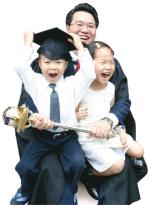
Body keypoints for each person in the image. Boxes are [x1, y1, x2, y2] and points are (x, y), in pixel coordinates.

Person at [15, 3, 147, 205]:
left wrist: (108, 121)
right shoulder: (49, 62)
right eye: (79, 24)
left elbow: (122, 99)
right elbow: (28, 102)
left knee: (122, 166)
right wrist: (38, 117)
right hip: (58, 136)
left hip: (97, 135)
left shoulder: (107, 62)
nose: (85, 30)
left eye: (91, 26)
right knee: (51, 172)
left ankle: (94, 177)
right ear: (68, 28)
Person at [10, 27, 96, 205]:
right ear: (40, 64)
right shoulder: (34, 82)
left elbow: (89, 73)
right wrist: (28, 43)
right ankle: (25, 190)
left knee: (78, 164)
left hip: (66, 137)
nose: (52, 67)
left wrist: (80, 47)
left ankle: (71, 191)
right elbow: (19, 67)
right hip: (42, 136)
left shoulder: (73, 85)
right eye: (47, 62)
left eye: (58, 62)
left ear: (65, 65)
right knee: (26, 166)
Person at [76, 41, 144, 177]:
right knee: (118, 166)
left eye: (111, 62)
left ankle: (112, 154)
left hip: (109, 133)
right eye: (103, 62)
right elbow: (67, 114)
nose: (109, 67)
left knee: (139, 151)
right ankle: (90, 174)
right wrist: (76, 114)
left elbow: (110, 110)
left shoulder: (111, 88)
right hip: (89, 138)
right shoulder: (79, 88)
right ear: (88, 64)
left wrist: (119, 130)